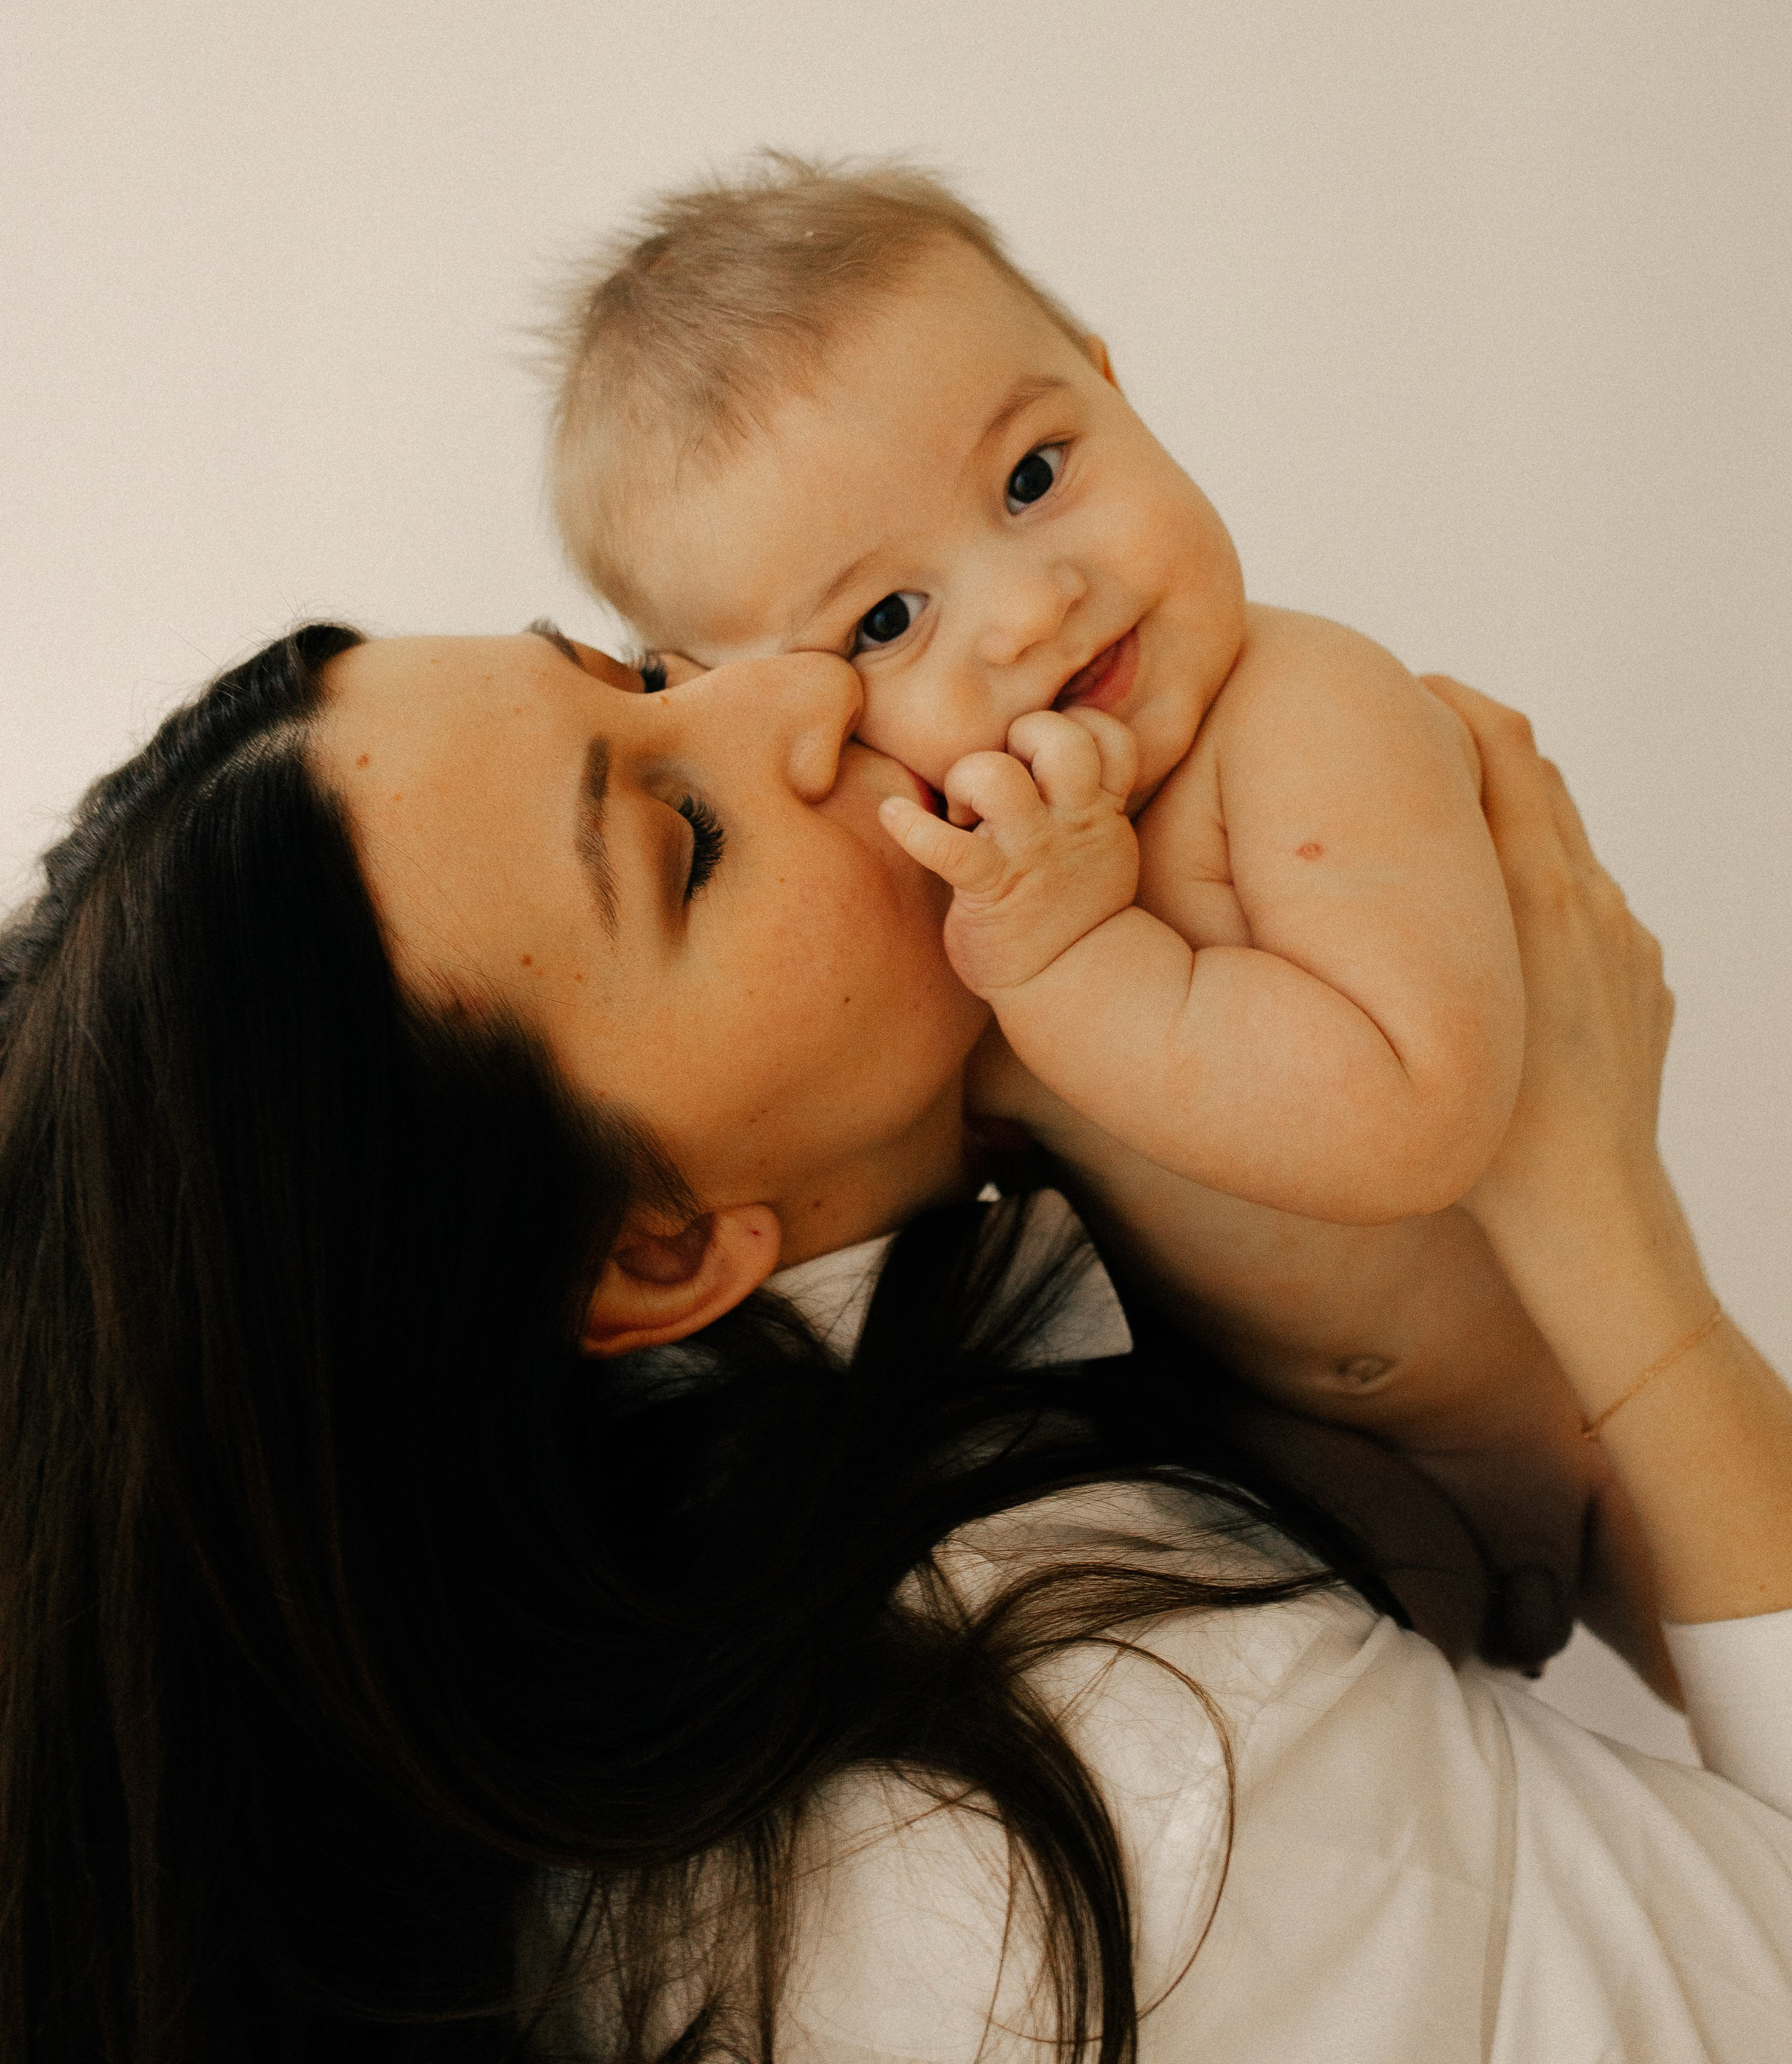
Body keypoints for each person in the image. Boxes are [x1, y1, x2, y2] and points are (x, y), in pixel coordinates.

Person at [0, 625, 1786, 2062]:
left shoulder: (716, 1675)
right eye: (682, 839)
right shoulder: (1129, 1781)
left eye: (638, 673)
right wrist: (1595, 1216)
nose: (802, 684)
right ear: (663, 1248)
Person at [547, 155, 1524, 1226]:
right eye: (887, 621)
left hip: (1553, 1399)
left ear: (1113, 389)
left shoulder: (1303, 713)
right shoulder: (968, 897)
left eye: (1033, 476)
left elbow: (1415, 1123)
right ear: (779, 708)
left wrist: (1073, 957)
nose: (1029, 612)